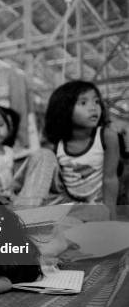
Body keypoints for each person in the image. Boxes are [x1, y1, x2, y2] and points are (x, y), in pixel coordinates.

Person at [14, 81, 120, 218]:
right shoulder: (56, 145)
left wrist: (112, 215)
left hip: (92, 206)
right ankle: (22, 214)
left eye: (97, 102)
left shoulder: (107, 136)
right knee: (43, 154)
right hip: (64, 202)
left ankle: (35, 220)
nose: (94, 108)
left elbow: (110, 178)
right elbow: (47, 179)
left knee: (98, 213)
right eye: (83, 103)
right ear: (64, 109)